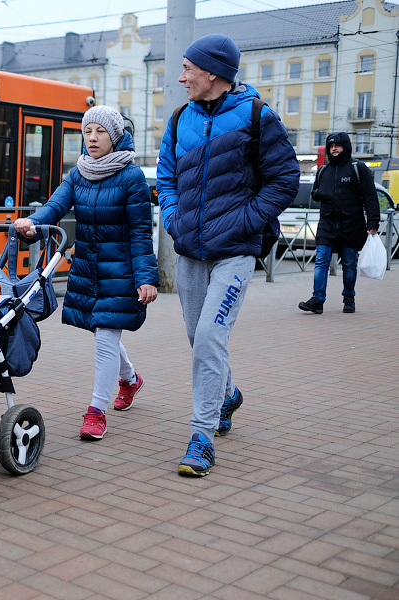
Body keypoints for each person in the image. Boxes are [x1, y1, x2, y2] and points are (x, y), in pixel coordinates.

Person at [156, 34, 299, 477]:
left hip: (235, 251)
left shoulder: (258, 116)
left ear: (213, 72)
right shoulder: (180, 120)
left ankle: (201, 438)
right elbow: (164, 177)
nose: (181, 78)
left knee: (211, 340)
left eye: (187, 69)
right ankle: (228, 394)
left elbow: (285, 178)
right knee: (199, 339)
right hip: (191, 250)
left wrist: (245, 222)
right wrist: (174, 218)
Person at [14, 105, 159, 441]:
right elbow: (55, 205)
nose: (92, 138)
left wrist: (146, 277)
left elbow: (140, 232)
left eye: (101, 132)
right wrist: (33, 222)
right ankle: (130, 379)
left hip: (121, 270)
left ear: (116, 136)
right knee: (102, 330)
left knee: (106, 336)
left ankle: (96, 411)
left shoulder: (131, 176)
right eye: (88, 131)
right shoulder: (78, 172)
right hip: (88, 268)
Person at [298, 132, 379, 315]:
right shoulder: (323, 170)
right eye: (331, 145)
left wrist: (373, 221)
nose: (334, 148)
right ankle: (317, 300)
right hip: (327, 225)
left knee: (349, 264)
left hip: (351, 224)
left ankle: (349, 298)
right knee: (321, 262)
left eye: (338, 145)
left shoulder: (358, 168)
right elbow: (315, 193)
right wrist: (321, 194)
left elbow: (370, 197)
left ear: (346, 146)